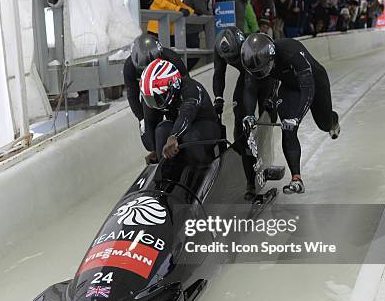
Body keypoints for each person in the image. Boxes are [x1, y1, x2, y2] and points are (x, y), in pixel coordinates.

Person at [241, 34, 341, 194]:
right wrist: (248, 114)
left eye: (264, 69)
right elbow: (250, 89)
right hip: (289, 86)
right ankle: (297, 179)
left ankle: (332, 119)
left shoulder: (291, 52)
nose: (262, 74)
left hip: (314, 82)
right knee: (288, 129)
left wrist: (297, 117)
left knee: (323, 124)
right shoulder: (253, 62)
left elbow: (308, 87)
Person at [213, 27, 275, 200]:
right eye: (229, 59)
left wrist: (272, 95)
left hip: (265, 77)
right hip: (246, 79)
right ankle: (250, 175)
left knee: (266, 119)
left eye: (234, 57)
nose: (232, 60)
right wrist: (218, 97)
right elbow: (219, 74)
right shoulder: (219, 48)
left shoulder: (253, 42)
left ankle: (264, 161)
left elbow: (274, 65)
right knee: (241, 128)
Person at [139, 58, 223, 174]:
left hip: (206, 126)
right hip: (180, 127)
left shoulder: (191, 89)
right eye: (151, 99)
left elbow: (186, 115)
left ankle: (201, 172)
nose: (155, 104)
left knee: (189, 136)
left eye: (158, 98)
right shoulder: (158, 100)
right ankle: (166, 177)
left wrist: (174, 136)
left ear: (173, 84)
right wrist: (155, 150)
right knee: (161, 129)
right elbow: (150, 123)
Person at [123, 34, 189, 163]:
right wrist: (141, 118)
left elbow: (187, 85)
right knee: (149, 140)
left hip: (171, 95)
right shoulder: (129, 67)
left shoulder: (172, 58)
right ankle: (159, 155)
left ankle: (181, 149)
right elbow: (132, 95)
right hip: (150, 98)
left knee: (178, 125)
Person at [183, 0, 212, 70]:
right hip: (190, 28)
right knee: (194, 54)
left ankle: (184, 73)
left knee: (193, 54)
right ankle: (183, 73)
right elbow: (202, 9)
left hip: (191, 28)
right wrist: (213, 17)